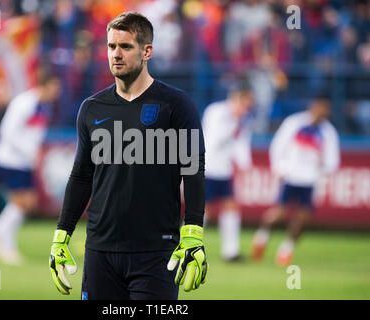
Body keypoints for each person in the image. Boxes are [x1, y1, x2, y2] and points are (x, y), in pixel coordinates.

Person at [48, 12, 208, 300]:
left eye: (125, 46)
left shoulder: (176, 104)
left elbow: (193, 168)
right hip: (100, 251)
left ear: (147, 51)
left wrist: (193, 230)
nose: (116, 54)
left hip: (156, 253)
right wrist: (62, 235)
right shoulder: (92, 108)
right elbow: (82, 175)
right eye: (111, 47)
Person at [251, 94, 340, 267]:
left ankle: (286, 250)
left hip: (311, 180)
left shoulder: (328, 132)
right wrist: (279, 167)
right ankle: (261, 238)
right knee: (279, 213)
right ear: (313, 106)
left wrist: (323, 167)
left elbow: (332, 161)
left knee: (303, 218)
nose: (323, 112)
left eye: (326, 109)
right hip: (291, 176)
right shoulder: (295, 123)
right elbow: (278, 145)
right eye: (321, 107)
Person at [0, 71, 61, 265]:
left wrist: (33, 153)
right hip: (10, 159)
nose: (57, 91)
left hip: (24, 161)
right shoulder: (24, 103)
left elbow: (34, 133)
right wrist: (29, 150)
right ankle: (0, 237)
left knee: (28, 202)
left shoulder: (44, 107)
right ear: (44, 85)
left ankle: (1, 236)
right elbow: (6, 132)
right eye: (54, 86)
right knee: (21, 202)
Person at [202, 81, 254, 261]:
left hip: (223, 170)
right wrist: (234, 121)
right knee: (201, 210)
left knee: (231, 207)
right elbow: (213, 139)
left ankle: (230, 252)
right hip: (207, 167)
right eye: (246, 103)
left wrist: (245, 165)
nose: (247, 108)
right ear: (237, 98)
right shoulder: (217, 112)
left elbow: (241, 144)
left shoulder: (241, 119)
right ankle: (184, 247)